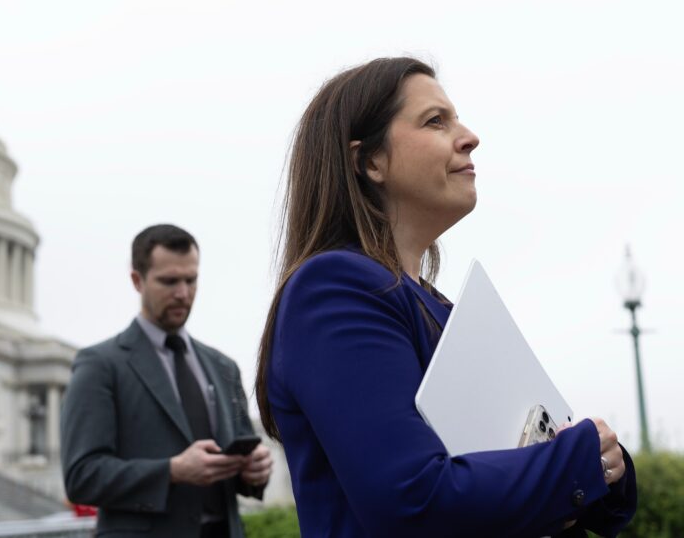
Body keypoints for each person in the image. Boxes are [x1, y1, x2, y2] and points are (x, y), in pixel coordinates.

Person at [254, 57, 638, 537]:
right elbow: (411, 497)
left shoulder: (435, 305)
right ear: (370, 161)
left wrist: (601, 465)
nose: (469, 137)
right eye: (436, 121)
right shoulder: (333, 289)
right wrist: (576, 460)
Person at [61, 224, 272, 538]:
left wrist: (255, 471)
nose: (183, 293)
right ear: (137, 280)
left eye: (191, 280)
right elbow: (81, 477)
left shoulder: (223, 366)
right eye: (169, 281)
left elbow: (239, 459)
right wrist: (172, 471)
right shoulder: (100, 365)